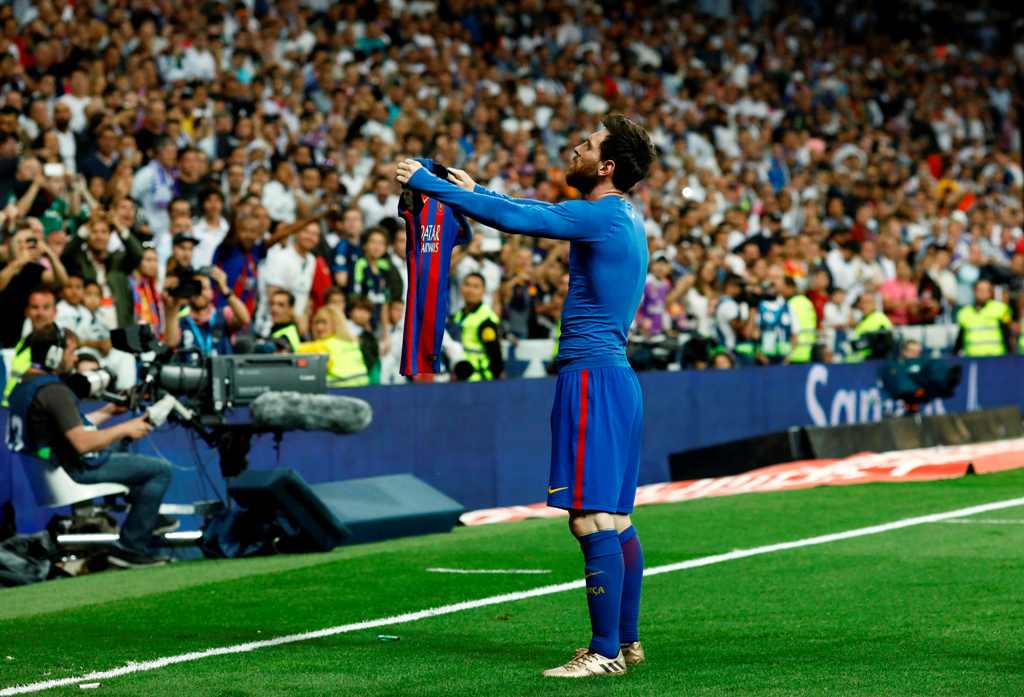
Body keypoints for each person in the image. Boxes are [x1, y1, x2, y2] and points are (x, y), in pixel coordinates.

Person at [396, 114, 655, 677]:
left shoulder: (601, 214)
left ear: (607, 166)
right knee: (616, 518)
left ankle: (604, 652)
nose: (576, 149)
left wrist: (426, 182)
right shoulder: (625, 216)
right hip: (617, 379)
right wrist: (478, 191)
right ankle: (627, 642)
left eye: (588, 145)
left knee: (589, 519)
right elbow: (528, 209)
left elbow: (521, 218)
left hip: (592, 379)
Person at [5, 324, 172, 568]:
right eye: (71, 352)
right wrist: (126, 427)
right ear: (54, 355)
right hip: (73, 470)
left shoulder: (23, 387)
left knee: (122, 445)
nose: (74, 359)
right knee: (161, 470)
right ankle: (131, 546)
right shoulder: (54, 391)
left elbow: (62, 431)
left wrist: (108, 412)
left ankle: (147, 515)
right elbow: (82, 443)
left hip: (52, 468)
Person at [163, 267, 251, 357]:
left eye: (204, 288)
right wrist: (173, 307)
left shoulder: (223, 314)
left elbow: (245, 319)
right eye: (196, 288)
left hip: (222, 365)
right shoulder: (180, 318)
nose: (200, 293)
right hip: (191, 366)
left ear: (212, 292)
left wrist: (225, 290)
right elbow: (171, 343)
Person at [3, 286, 58, 404]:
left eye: (46, 307)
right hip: (9, 406)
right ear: (27, 311)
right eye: (35, 307)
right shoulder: (22, 341)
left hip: (36, 409)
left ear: (55, 312)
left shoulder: (59, 344)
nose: (40, 313)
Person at [297, 305, 369, 387]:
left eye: (324, 322)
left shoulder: (319, 346)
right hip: (363, 388)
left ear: (336, 324)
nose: (319, 327)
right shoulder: (352, 343)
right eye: (316, 322)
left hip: (337, 389)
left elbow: (296, 351)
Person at [451, 273, 503, 381]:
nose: (470, 290)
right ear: (461, 288)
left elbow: (495, 354)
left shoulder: (486, 320)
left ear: (483, 291)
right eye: (467, 285)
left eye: (476, 287)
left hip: (479, 379)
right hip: (460, 378)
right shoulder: (457, 316)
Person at [955, 279, 1012, 357]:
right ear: (974, 291)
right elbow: (960, 338)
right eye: (980, 290)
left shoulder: (1001, 309)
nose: (982, 293)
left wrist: (1010, 355)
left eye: (986, 290)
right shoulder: (964, 312)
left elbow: (1007, 334)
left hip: (996, 358)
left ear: (990, 293)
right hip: (972, 359)